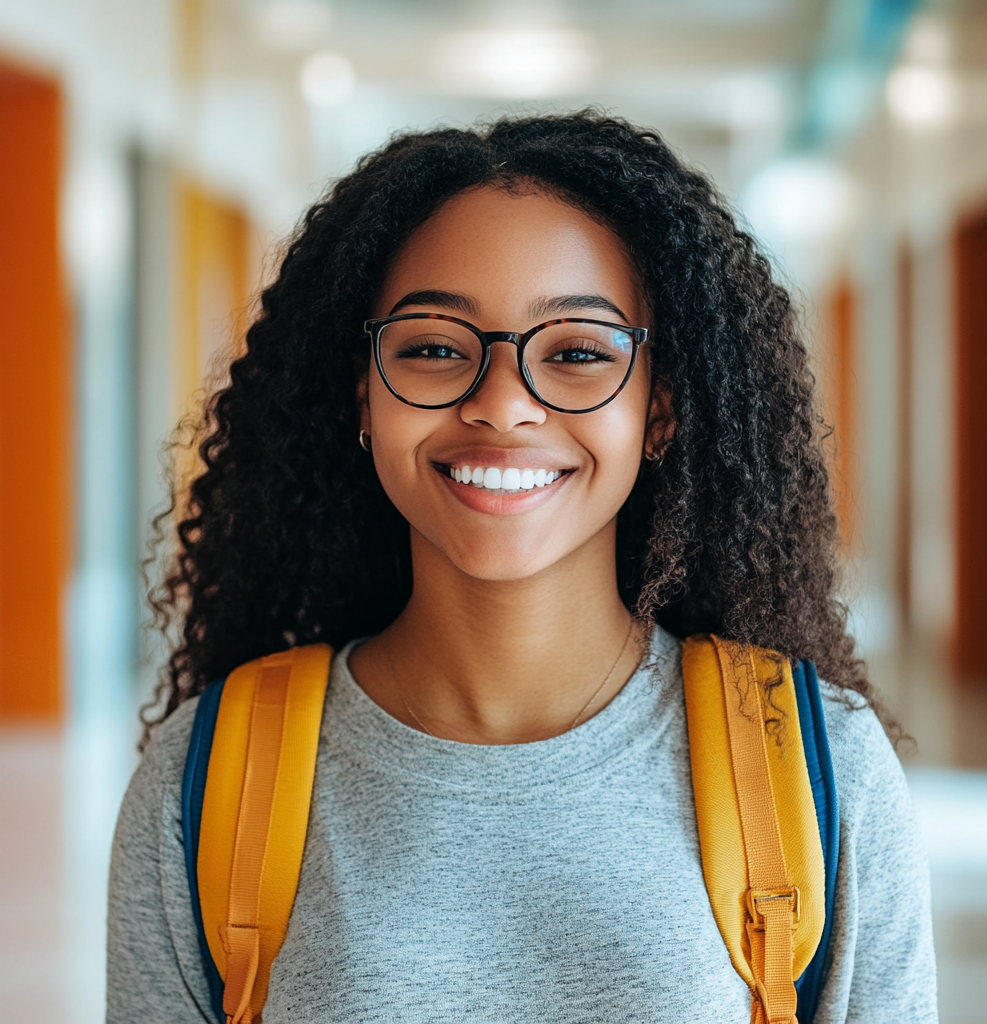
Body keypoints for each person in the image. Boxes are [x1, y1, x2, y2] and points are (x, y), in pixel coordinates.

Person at [107, 112, 937, 1023]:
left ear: (660, 410)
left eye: (578, 353)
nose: (501, 406)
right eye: (432, 348)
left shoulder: (823, 773)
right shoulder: (206, 775)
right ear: (363, 392)